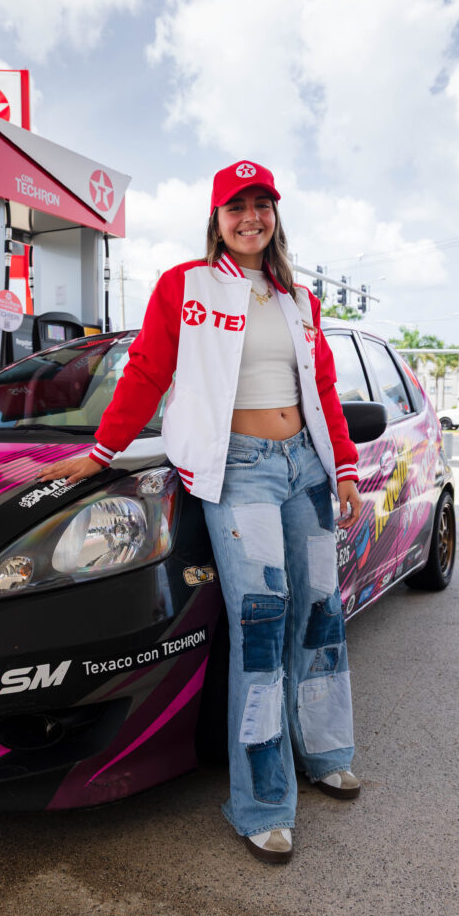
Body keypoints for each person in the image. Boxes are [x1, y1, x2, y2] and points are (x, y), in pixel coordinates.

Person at [38, 161, 362, 864]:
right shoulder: (184, 286)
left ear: (275, 215)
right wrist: (101, 451)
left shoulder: (297, 300)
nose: (250, 218)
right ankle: (263, 803)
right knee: (261, 626)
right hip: (238, 472)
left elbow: (325, 388)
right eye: (235, 207)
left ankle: (328, 750)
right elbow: (148, 370)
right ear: (216, 218)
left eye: (261, 206)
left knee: (319, 613)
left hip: (304, 469)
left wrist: (341, 466)